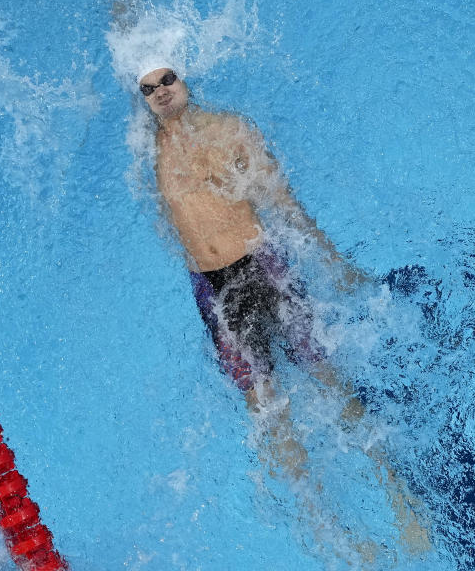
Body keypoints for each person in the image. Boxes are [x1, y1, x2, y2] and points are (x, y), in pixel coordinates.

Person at [137, 65, 432, 557]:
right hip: (211, 290)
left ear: (185, 78)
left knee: (326, 377)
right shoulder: (149, 150)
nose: (160, 93)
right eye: (147, 90)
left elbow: (283, 202)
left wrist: (333, 261)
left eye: (166, 79)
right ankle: (332, 533)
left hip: (262, 267)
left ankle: (401, 502)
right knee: (267, 410)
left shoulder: (231, 130)